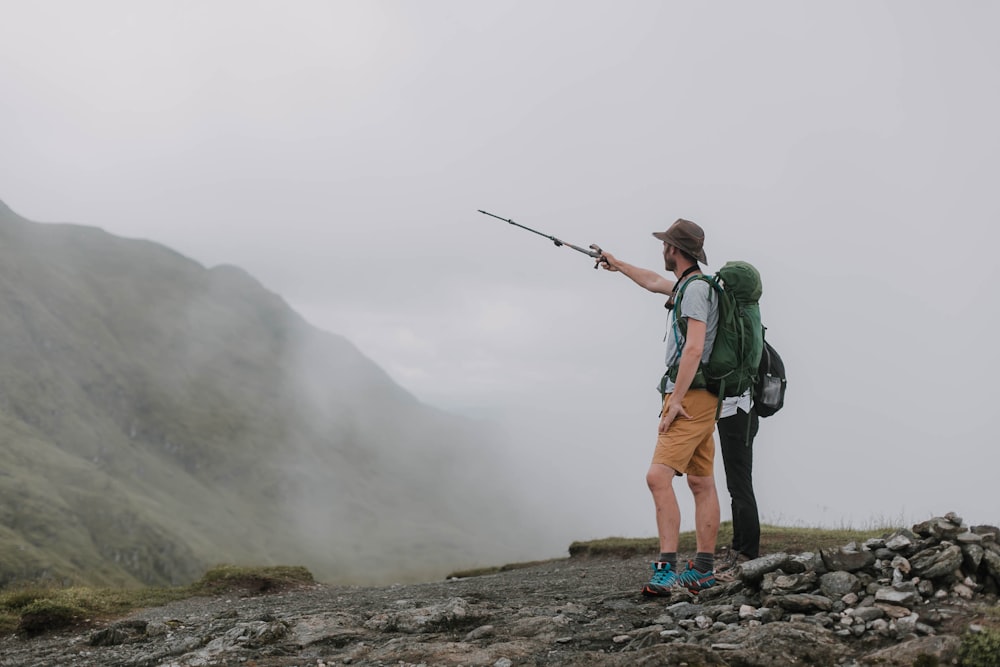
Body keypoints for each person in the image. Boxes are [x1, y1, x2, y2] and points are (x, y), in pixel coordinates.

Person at [600, 218, 721, 597]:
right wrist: (617, 264)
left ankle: (667, 568)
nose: (662, 251)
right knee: (700, 481)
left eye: (665, 245)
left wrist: (676, 401)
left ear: (674, 249)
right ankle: (702, 570)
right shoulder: (691, 285)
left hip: (690, 396)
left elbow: (695, 347)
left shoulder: (696, 291)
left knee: (657, 477)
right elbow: (654, 282)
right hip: (701, 395)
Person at [715, 396, 761, 580]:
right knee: (736, 486)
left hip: (735, 414)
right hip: (740, 414)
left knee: (740, 486)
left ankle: (748, 553)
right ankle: (738, 549)